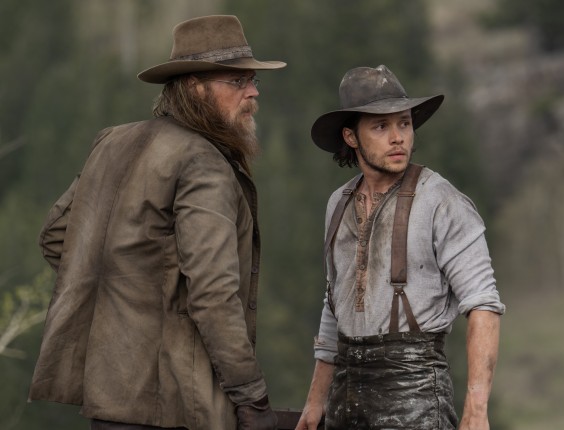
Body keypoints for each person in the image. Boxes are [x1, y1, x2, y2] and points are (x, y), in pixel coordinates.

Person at [29, 15, 286, 430]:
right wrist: (253, 398)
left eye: (252, 80)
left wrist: (128, 300)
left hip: (110, 396)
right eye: (237, 81)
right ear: (195, 87)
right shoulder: (204, 162)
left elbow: (58, 237)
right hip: (177, 403)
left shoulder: (113, 141)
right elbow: (213, 294)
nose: (253, 91)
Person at [295, 65, 505, 430]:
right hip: (345, 397)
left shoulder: (441, 201)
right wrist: (315, 402)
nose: (398, 138)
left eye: (404, 124)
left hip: (416, 396)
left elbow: (483, 304)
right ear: (351, 136)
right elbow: (334, 306)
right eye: (381, 126)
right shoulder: (338, 204)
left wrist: (476, 408)